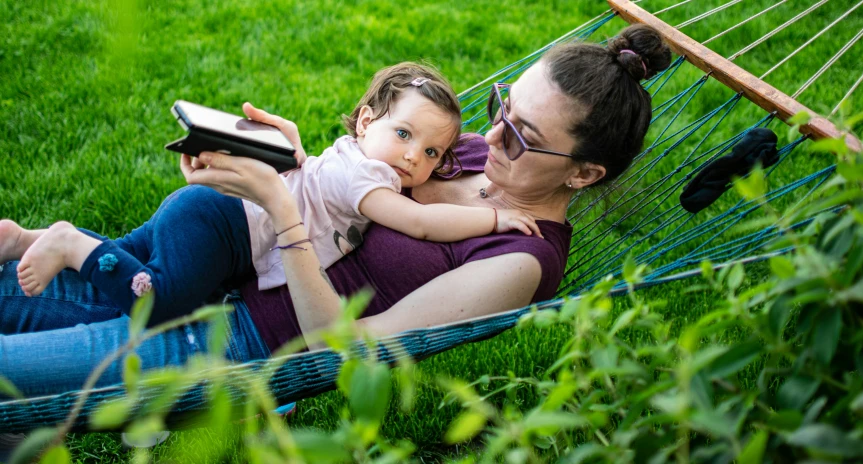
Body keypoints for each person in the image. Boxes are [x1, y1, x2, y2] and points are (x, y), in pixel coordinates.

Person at [0, 24, 672, 397]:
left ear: (585, 173)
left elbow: (342, 353)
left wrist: (281, 212)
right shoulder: (468, 155)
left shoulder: (521, 263)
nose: (490, 138)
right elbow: (361, 168)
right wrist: (296, 164)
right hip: (224, 265)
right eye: (502, 108)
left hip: (237, 348)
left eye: (523, 136)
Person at [4, 62, 540, 327]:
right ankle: (72, 245)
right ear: (366, 122)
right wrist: (492, 222)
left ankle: (23, 238)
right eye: (404, 136)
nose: (412, 159)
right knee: (161, 301)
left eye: (430, 154)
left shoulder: (350, 154)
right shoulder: (370, 181)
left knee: (136, 253)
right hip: (226, 230)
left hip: (214, 215)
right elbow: (420, 224)